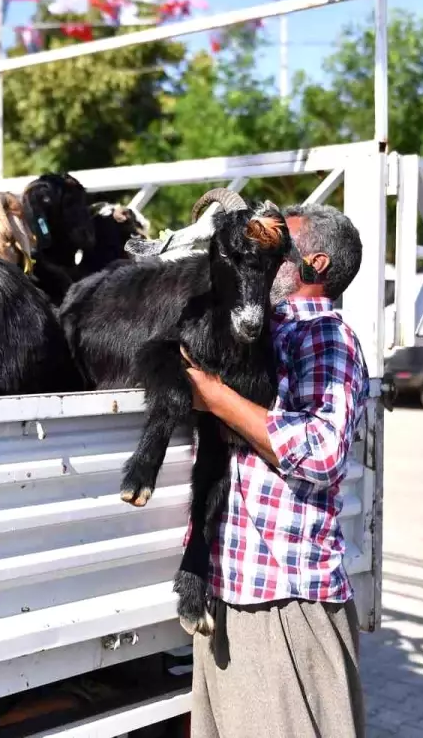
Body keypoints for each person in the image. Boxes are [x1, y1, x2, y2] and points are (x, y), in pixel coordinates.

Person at [178, 203, 371, 738]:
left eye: (278, 244)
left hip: (285, 598)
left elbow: (324, 451)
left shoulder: (326, 338)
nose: (262, 250)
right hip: (233, 585)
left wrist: (215, 397)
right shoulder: (266, 329)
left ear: (314, 263)